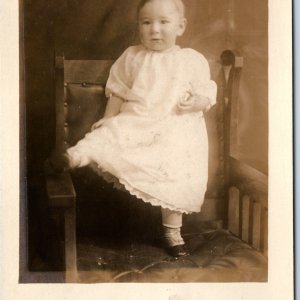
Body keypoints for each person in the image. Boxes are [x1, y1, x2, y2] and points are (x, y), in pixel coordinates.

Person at [47, 0, 217, 257]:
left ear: (181, 26)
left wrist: (197, 101)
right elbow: (118, 90)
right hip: (138, 119)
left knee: (178, 170)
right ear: (138, 26)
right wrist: (109, 117)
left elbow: (207, 92)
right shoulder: (133, 56)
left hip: (174, 128)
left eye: (163, 22)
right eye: (146, 23)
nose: (154, 30)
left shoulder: (191, 60)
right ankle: (72, 157)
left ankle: (172, 231)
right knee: (108, 133)